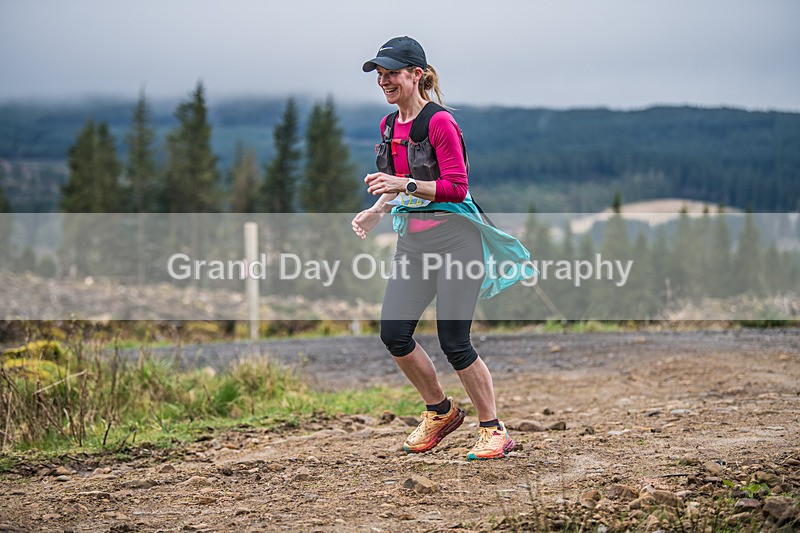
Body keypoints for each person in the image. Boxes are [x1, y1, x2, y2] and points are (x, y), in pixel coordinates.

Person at [351, 36, 531, 460]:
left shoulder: (439, 123)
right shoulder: (388, 125)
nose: (384, 81)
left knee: (454, 340)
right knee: (394, 334)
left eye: (392, 73)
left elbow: (455, 187)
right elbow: (397, 179)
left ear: (417, 74)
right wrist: (378, 209)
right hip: (413, 242)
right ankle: (440, 412)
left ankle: (494, 430)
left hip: (456, 241)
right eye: (379, 74)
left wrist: (402, 185)